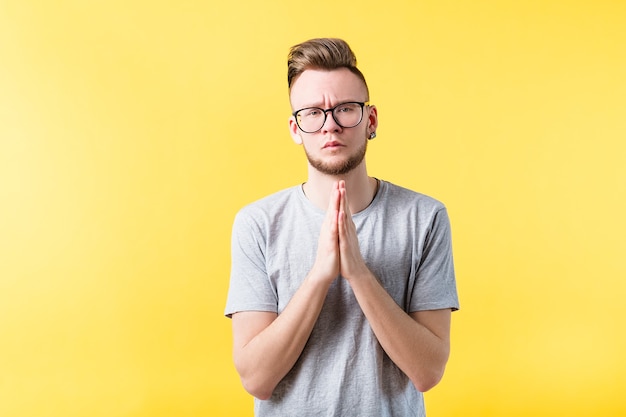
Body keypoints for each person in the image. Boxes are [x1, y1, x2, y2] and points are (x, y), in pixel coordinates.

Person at [224, 37, 459, 417]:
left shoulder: (425, 217)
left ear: (371, 120)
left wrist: (360, 275)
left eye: (346, 109)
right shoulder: (257, 224)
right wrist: (320, 275)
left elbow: (428, 371)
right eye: (313, 113)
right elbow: (256, 379)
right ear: (295, 128)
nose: (330, 125)